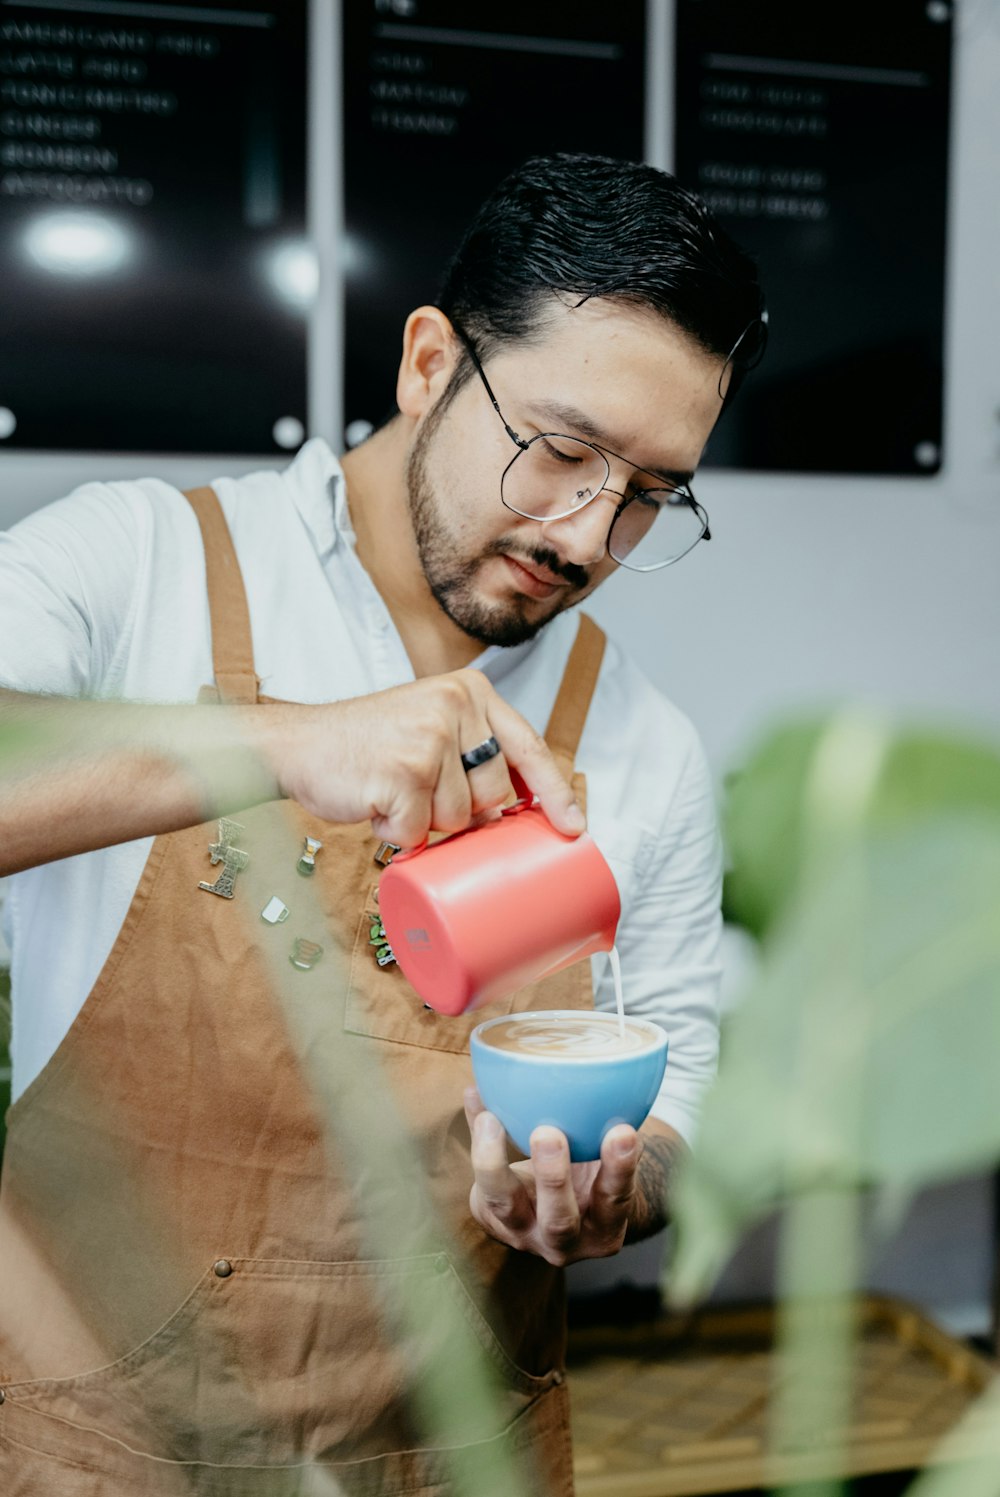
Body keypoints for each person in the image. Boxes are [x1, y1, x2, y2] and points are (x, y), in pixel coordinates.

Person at [0, 153, 765, 1495]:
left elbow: (682, 1082)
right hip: (97, 1457)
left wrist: (611, 1193)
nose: (588, 537)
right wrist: (286, 739)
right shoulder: (135, 569)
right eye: (560, 451)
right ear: (427, 364)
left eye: (650, 493)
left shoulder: (644, 747)